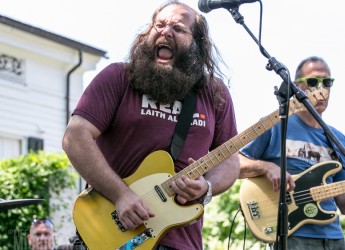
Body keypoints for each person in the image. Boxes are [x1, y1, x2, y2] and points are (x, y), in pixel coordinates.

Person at [62, 1, 240, 249]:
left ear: (197, 45)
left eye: (178, 28)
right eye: (159, 25)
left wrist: (206, 187)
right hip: (111, 234)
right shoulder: (118, 77)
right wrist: (121, 195)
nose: (165, 32)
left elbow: (230, 158)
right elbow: (76, 137)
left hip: (181, 241)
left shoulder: (214, 93)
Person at [238, 56, 345, 249]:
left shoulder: (339, 139)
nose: (321, 87)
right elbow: (235, 163)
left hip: (333, 238)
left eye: (327, 82)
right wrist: (267, 167)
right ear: (297, 86)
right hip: (292, 235)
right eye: (313, 81)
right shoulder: (275, 124)